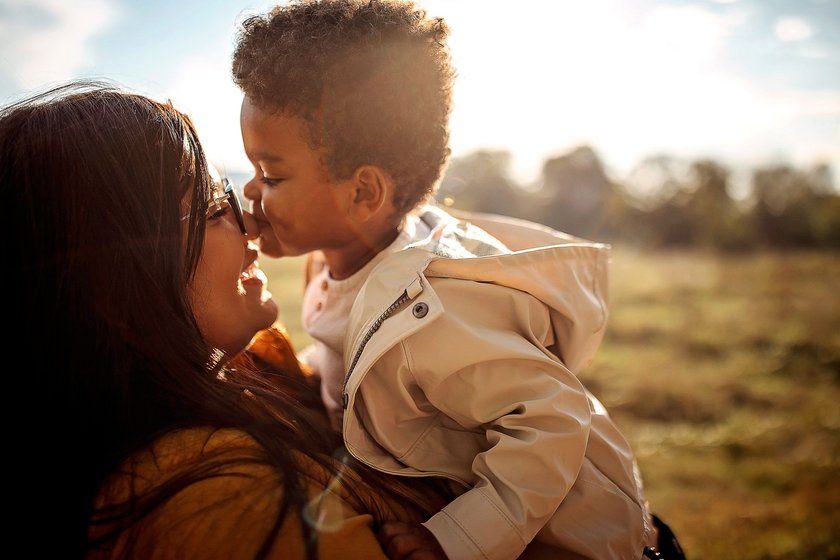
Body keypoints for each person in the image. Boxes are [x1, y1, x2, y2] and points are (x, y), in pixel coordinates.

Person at [232, 1, 683, 559]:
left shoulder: (438, 306)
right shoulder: (336, 261)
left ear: (363, 193)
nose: (249, 191)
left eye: (271, 174)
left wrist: (458, 541)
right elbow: (349, 365)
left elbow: (552, 421)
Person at [3, 80, 452, 559]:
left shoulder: (246, 371)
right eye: (216, 208)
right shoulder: (218, 504)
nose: (253, 225)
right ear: (113, 288)